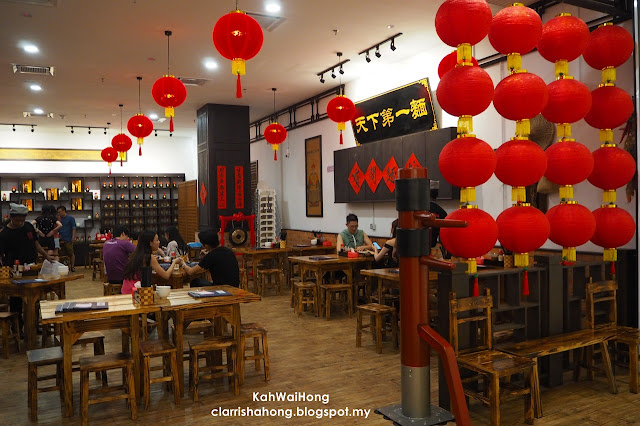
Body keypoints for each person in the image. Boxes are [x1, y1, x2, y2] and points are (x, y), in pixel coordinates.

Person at [0, 203, 54, 316]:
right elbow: (1, 254)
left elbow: (36, 244)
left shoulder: (28, 226)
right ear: (11, 217)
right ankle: (17, 323)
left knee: (34, 296)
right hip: (15, 270)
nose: (20, 223)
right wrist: (7, 267)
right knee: (16, 299)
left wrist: (46, 255)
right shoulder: (5, 234)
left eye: (22, 220)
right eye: (17, 220)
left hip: (31, 266)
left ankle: (34, 321)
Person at [429, 180, 448, 251]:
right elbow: (443, 236)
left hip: (415, 246)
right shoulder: (442, 212)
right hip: (432, 246)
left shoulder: (417, 210)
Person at [57, 206, 76, 271]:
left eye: (59, 212)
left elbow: (74, 228)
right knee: (61, 254)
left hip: (68, 238)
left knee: (70, 252)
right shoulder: (58, 219)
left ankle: (72, 266)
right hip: (60, 239)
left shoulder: (70, 218)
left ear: (64, 211)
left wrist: (73, 237)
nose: (59, 214)